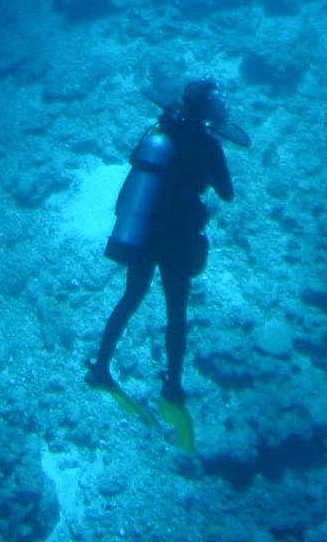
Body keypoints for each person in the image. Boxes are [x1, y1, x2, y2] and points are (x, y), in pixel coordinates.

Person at [86, 79, 246, 451]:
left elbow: (134, 162)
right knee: (176, 312)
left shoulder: (160, 130)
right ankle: (172, 389)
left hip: (144, 229)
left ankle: (100, 369)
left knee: (130, 298)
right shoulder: (208, 144)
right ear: (208, 111)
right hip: (179, 238)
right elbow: (227, 193)